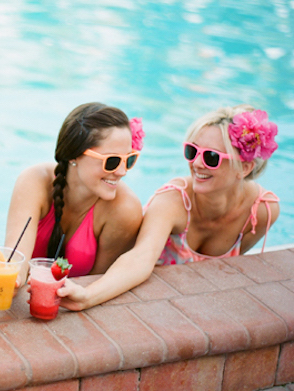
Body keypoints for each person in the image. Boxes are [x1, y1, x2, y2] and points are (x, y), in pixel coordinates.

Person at [57, 105, 280, 310]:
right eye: (192, 151)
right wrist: (87, 296)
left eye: (212, 157)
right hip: (149, 303)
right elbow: (140, 258)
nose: (197, 164)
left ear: (245, 167)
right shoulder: (173, 201)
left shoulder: (261, 212)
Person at [0, 102, 144, 294]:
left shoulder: (124, 209)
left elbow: (98, 282)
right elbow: (16, 258)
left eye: (129, 159)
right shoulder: (34, 182)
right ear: (74, 155)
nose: (122, 172)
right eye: (112, 161)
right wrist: (6, 279)